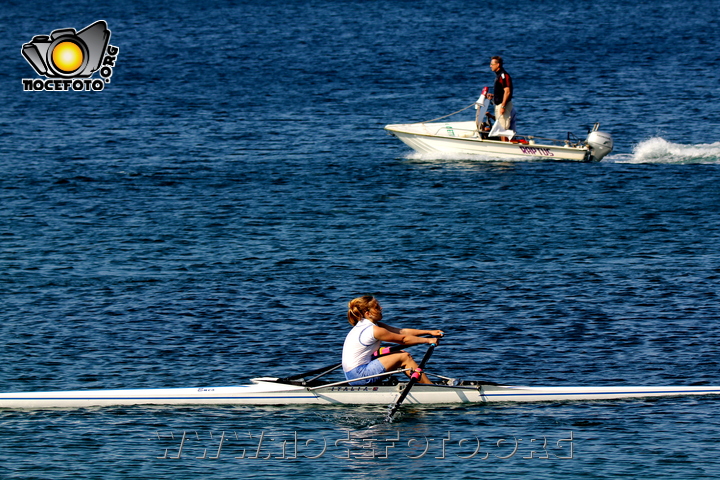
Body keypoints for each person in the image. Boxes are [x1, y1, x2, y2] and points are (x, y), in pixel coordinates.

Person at [342, 296, 444, 386]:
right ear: (368, 313)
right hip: (360, 375)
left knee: (400, 353)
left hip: (353, 374)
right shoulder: (374, 330)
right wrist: (427, 340)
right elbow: (403, 340)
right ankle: (431, 388)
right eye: (377, 307)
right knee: (405, 357)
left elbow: (401, 332)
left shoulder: (370, 325)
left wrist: (429, 332)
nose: (381, 308)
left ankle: (421, 383)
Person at [488, 56, 514, 141]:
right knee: (500, 127)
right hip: (498, 104)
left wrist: (503, 106)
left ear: (498, 65)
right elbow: (502, 92)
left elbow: (507, 91)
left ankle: (506, 147)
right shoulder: (498, 76)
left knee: (503, 128)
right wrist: (494, 97)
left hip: (503, 105)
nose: (490, 66)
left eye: (492, 64)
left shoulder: (503, 75)